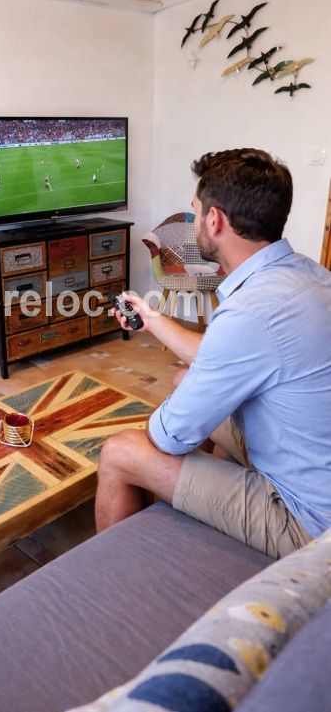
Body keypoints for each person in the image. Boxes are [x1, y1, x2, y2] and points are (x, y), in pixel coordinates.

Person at [97, 148, 331, 559]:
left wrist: (166, 433)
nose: (193, 223)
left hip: (309, 521)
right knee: (185, 379)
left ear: (215, 219)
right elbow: (224, 355)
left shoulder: (249, 313)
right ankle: (195, 507)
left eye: (194, 213)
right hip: (307, 459)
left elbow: (168, 437)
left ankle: (109, 577)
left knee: (121, 451)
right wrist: (151, 319)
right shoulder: (309, 274)